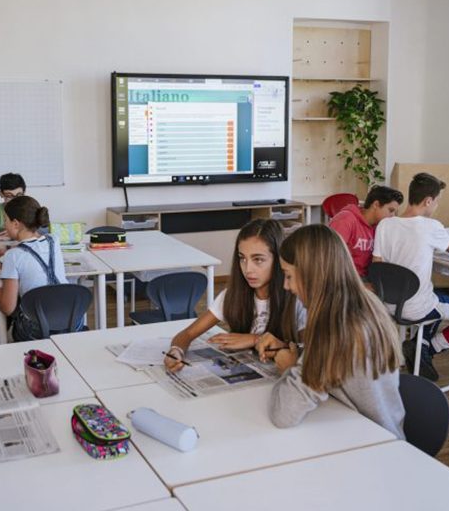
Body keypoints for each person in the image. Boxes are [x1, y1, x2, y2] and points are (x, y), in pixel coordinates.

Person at [261, 224, 405, 439]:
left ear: (310, 275)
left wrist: (291, 369)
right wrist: (298, 353)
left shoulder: (336, 327)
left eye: (288, 276)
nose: (286, 286)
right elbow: (337, 364)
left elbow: (284, 414)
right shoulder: (364, 302)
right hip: (380, 432)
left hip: (370, 443)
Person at [371, 172, 449, 381]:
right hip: (418, 308)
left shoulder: (385, 225)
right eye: (437, 201)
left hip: (387, 304)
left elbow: (377, 264)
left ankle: (419, 345)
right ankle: (427, 348)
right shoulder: (431, 227)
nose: (436, 206)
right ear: (428, 201)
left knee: (435, 299)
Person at [165, 219, 305, 372]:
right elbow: (187, 334)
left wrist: (255, 340)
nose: (248, 269)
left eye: (258, 259)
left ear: (278, 260)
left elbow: (308, 354)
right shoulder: (232, 296)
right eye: (242, 258)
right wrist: (176, 351)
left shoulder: (297, 300)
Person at [0, 195, 71, 341]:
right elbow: (33, 246)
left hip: (37, 328)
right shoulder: (54, 240)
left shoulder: (13, 256)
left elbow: (7, 307)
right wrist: (6, 251)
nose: (4, 225)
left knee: (13, 323)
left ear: (16, 224)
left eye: (5, 220)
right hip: (70, 319)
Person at [328, 185, 403, 278]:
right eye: (391, 210)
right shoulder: (345, 220)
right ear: (376, 205)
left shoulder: (381, 226)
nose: (393, 216)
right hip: (347, 279)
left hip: (368, 278)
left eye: (395, 212)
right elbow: (330, 259)